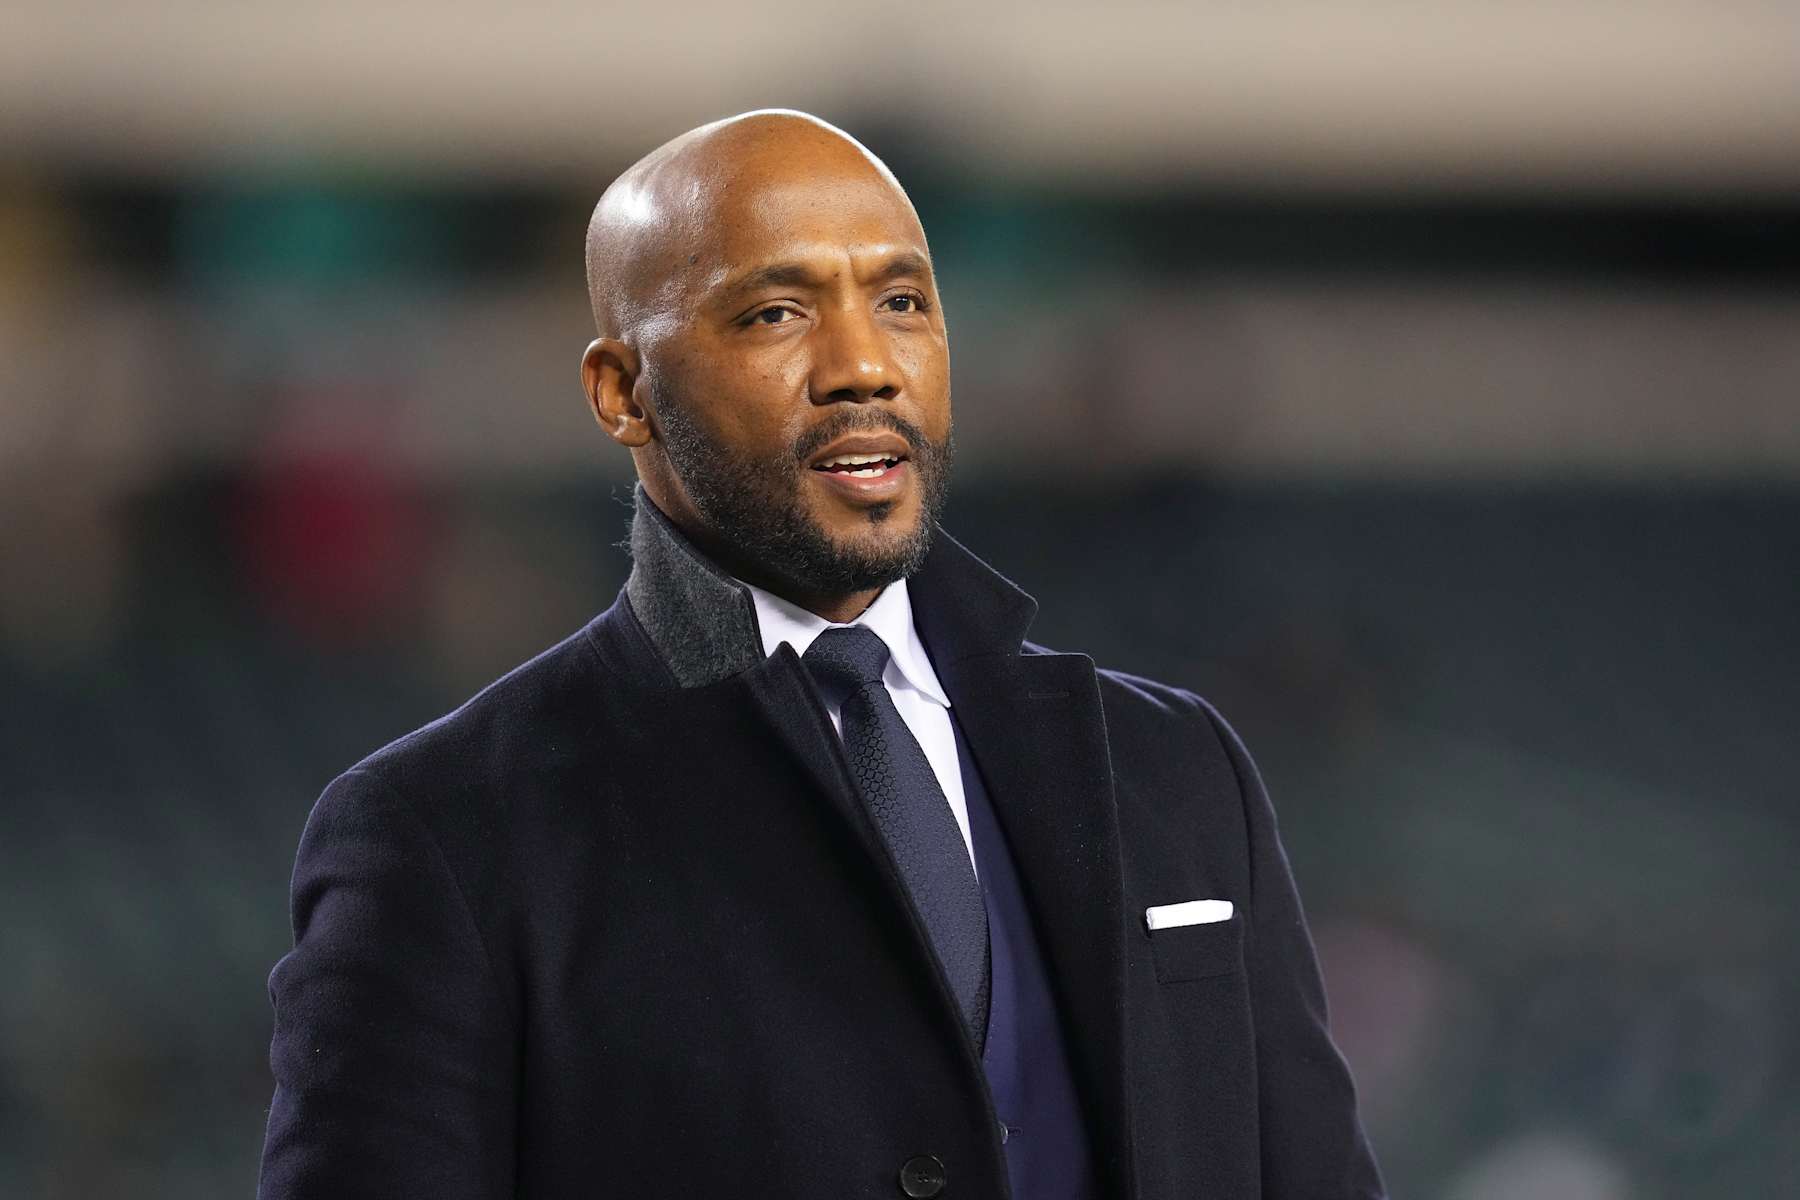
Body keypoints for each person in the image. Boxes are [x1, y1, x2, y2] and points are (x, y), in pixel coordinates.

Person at [257, 110, 1384, 1200]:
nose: (863, 367)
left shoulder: (1176, 769)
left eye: (901, 301)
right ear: (622, 392)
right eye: (774, 315)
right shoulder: (443, 833)